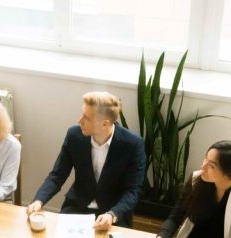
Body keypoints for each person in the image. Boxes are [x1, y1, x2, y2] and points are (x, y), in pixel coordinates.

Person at [26, 91, 146, 229]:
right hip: (77, 208)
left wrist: (112, 214)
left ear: (105, 124)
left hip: (112, 213)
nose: (79, 121)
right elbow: (57, 175)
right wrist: (39, 200)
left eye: (86, 118)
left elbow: (133, 191)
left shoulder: (133, 145)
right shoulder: (74, 136)